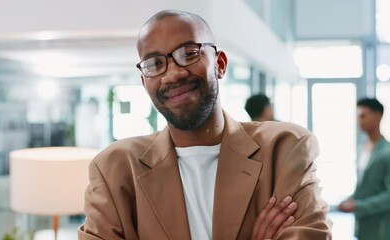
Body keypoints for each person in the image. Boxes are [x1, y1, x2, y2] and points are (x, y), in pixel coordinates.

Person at [79, 10, 331, 240]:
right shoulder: (115, 169)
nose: (173, 74)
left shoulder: (285, 148)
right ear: (145, 83)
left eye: (188, 53)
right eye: (155, 64)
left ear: (220, 64)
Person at [337, 98, 390, 240]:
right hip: (364, 227)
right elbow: (365, 185)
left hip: (383, 228)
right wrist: (351, 200)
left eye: (363, 116)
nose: (358, 121)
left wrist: (359, 206)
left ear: (377, 116)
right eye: (357, 116)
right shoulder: (362, 148)